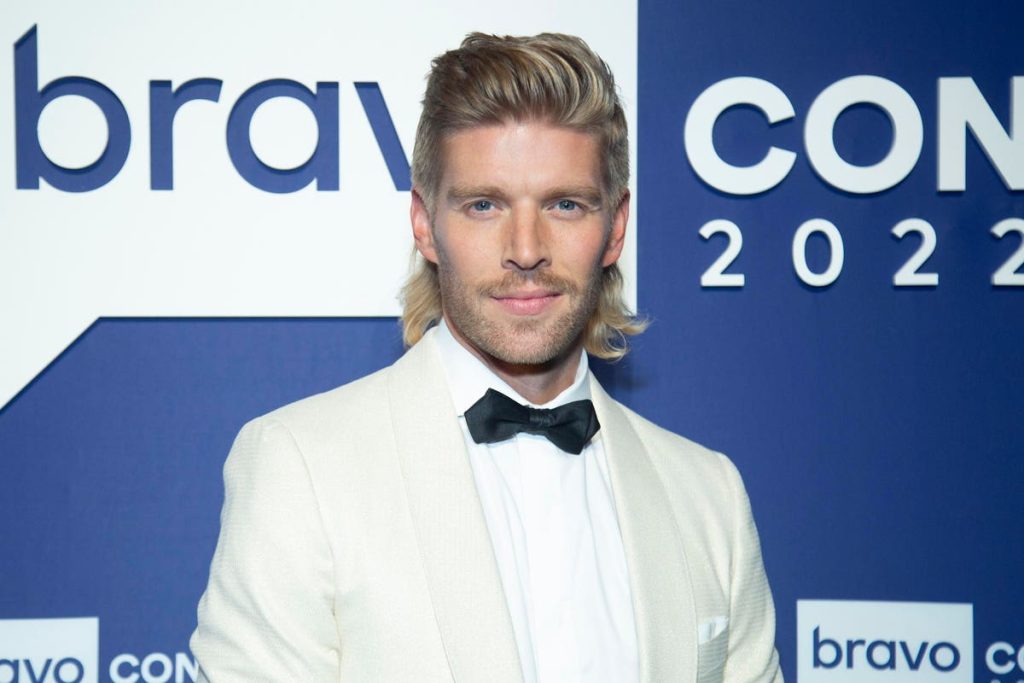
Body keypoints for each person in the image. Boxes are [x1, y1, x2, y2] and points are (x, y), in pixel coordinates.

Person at [190, 32, 782, 683]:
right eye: (483, 205)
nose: (525, 249)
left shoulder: (708, 496)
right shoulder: (300, 468)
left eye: (564, 204)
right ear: (424, 224)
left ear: (615, 227)